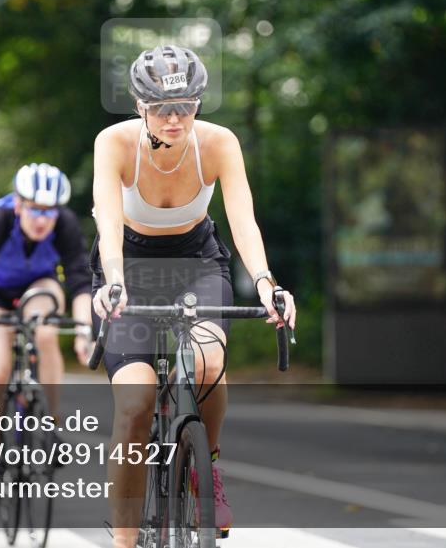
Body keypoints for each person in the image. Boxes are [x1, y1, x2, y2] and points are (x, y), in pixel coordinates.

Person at [91, 45, 296, 546]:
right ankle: (123, 541)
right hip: (128, 267)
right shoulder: (114, 143)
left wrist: (267, 283)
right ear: (139, 106)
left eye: (185, 106)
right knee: (135, 404)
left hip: (196, 263)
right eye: (162, 108)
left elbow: (243, 221)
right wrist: (113, 280)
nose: (174, 118)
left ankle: (208, 464)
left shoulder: (219, 142)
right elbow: (108, 220)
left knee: (207, 363)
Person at [0, 162, 93, 511]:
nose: (42, 219)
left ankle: (48, 425)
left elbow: (80, 281)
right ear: (18, 204)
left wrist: (84, 332)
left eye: (49, 211)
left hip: (39, 286)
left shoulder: (64, 224)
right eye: (34, 209)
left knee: (46, 331)